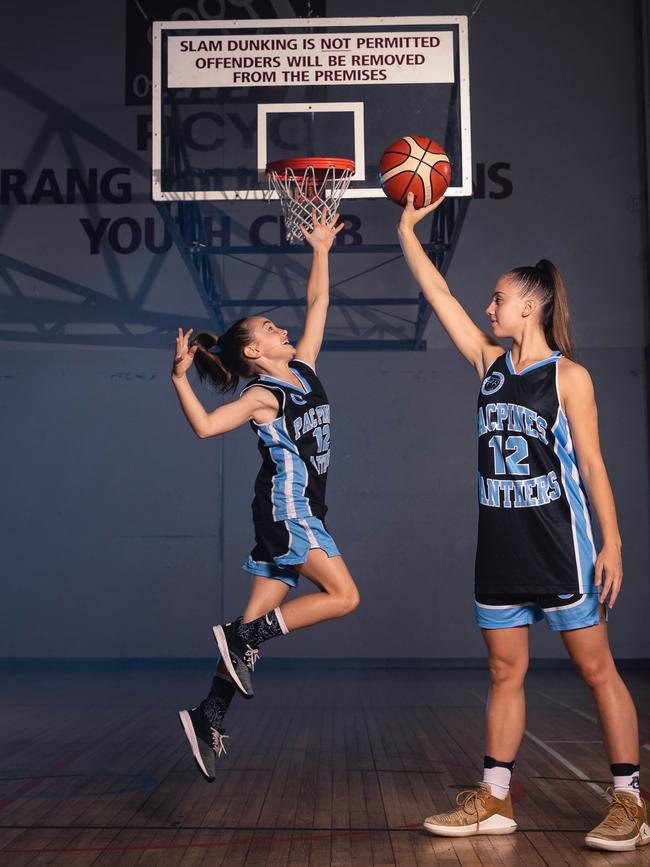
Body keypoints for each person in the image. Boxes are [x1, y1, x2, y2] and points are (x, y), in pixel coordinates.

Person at [398, 191, 648, 852]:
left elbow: (592, 467)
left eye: (499, 299)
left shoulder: (571, 378)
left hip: (560, 547)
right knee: (505, 674)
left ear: (529, 306)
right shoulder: (487, 365)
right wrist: (405, 230)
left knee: (598, 671)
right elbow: (439, 295)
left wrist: (614, 542)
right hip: (501, 547)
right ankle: (496, 800)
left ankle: (631, 802)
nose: (489, 307)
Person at [171, 210, 360, 782]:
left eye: (279, 326)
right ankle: (246, 634)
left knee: (247, 639)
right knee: (346, 597)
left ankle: (208, 715)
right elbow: (205, 428)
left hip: (296, 512)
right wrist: (181, 378)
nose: (282, 329)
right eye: (269, 329)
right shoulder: (261, 395)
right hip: (289, 512)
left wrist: (321, 249)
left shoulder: (302, 368)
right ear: (253, 353)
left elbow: (319, 306)